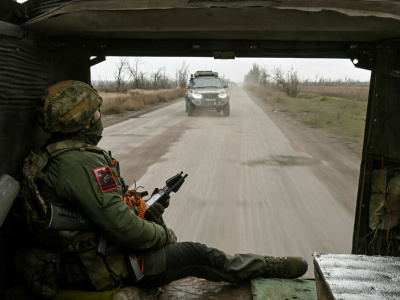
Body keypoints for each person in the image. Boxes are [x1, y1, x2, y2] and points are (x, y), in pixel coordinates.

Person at [15, 80, 308, 298]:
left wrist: (147, 211)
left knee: (157, 223)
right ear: (82, 121)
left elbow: (96, 214)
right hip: (92, 267)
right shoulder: (80, 163)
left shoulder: (55, 155)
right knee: (198, 254)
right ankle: (266, 267)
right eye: (95, 113)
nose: (99, 117)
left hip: (79, 258)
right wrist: (161, 235)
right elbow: (124, 229)